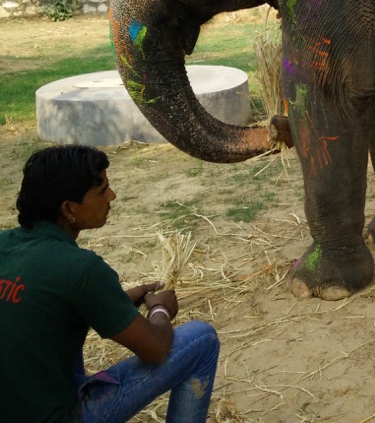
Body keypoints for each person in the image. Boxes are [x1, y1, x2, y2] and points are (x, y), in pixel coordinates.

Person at [0, 145, 220, 423]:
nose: (112, 196)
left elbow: (46, 308)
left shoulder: (5, 243)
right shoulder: (81, 268)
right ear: (69, 208)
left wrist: (120, 300)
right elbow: (155, 349)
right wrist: (160, 310)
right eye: (102, 190)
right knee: (202, 339)